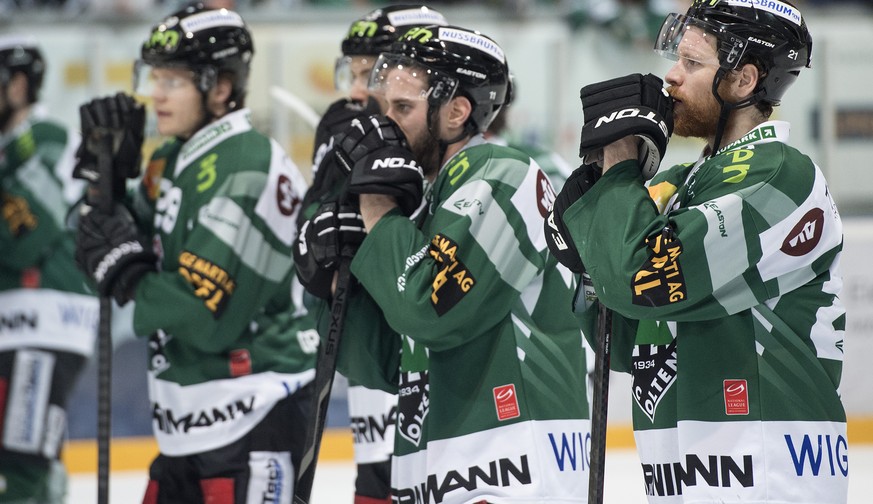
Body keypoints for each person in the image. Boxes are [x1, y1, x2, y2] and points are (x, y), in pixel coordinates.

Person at [546, 0, 848, 502]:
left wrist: (620, 167)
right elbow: (624, 343)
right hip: (688, 467)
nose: (671, 77)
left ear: (744, 80)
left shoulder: (777, 175)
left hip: (765, 469)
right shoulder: (680, 187)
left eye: (691, 63)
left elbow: (645, 280)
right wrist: (592, 239)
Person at [297, 24, 590, 502]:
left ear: (456, 112)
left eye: (403, 109)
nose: (385, 124)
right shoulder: (431, 199)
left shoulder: (502, 175)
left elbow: (430, 311)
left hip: (512, 457)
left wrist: (377, 209)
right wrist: (331, 283)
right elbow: (388, 362)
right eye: (384, 106)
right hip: (440, 458)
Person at [73, 4, 315, 502]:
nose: (153, 93)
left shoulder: (249, 163)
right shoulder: (171, 157)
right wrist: (105, 195)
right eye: (153, 77)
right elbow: (108, 254)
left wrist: (128, 274)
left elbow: (207, 315)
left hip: (254, 414)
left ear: (221, 88)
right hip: (188, 423)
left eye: (173, 81)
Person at [301, 6, 447, 504]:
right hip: (375, 358)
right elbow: (308, 242)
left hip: (441, 372)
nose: (360, 90)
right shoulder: (347, 136)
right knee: (377, 484)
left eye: (374, 73)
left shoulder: (457, 159)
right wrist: (319, 246)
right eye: (355, 73)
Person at [0, 37, 98, 503]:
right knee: (27, 458)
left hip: (41, 324)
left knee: (22, 465)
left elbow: (26, 239)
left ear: (18, 86)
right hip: (22, 325)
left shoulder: (45, 138)